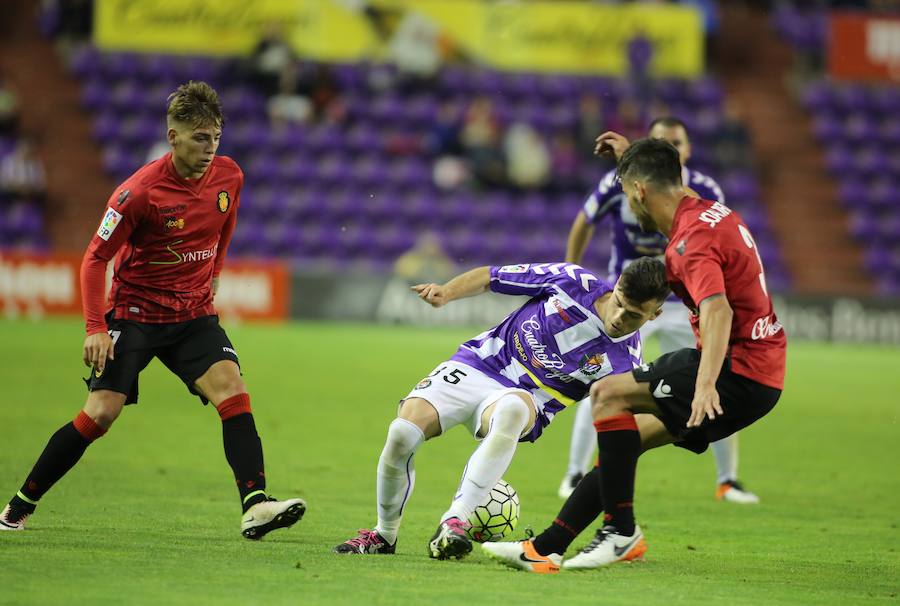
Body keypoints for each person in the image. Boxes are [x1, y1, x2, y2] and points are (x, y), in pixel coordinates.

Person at [0, 81, 305, 539]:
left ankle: (255, 504)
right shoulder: (136, 193)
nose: (210, 148)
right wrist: (95, 326)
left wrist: (216, 272)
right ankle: (18, 506)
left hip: (193, 315)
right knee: (101, 413)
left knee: (232, 391)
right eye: (200, 138)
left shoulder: (229, 176)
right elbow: (94, 258)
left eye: (216, 137)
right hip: (135, 316)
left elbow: (225, 224)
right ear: (173, 137)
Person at [482, 137, 786, 572]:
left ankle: (621, 532)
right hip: (762, 373)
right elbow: (666, 178)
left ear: (640, 191)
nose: (628, 203)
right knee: (623, 443)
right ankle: (545, 549)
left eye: (627, 193)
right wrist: (633, 158)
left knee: (607, 394)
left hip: (737, 371)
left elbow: (718, 309)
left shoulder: (689, 245)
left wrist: (704, 386)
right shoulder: (704, 212)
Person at [334, 257, 671, 560]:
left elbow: (623, 424)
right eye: (619, 304)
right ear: (616, 287)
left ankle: (455, 522)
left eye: (634, 316)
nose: (619, 318)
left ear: (655, 314)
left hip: (529, 399)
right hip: (480, 363)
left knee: (511, 409)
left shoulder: (625, 362)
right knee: (401, 433)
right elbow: (490, 276)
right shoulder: (570, 281)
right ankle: (383, 535)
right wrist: (447, 293)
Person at [559, 117, 760, 506]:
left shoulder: (703, 192)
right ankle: (574, 471)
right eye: (660, 142)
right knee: (602, 379)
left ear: (687, 149)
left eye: (677, 141)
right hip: (629, 300)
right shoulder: (620, 182)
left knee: (714, 373)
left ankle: (727, 479)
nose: (671, 146)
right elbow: (584, 220)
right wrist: (571, 271)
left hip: (682, 299)